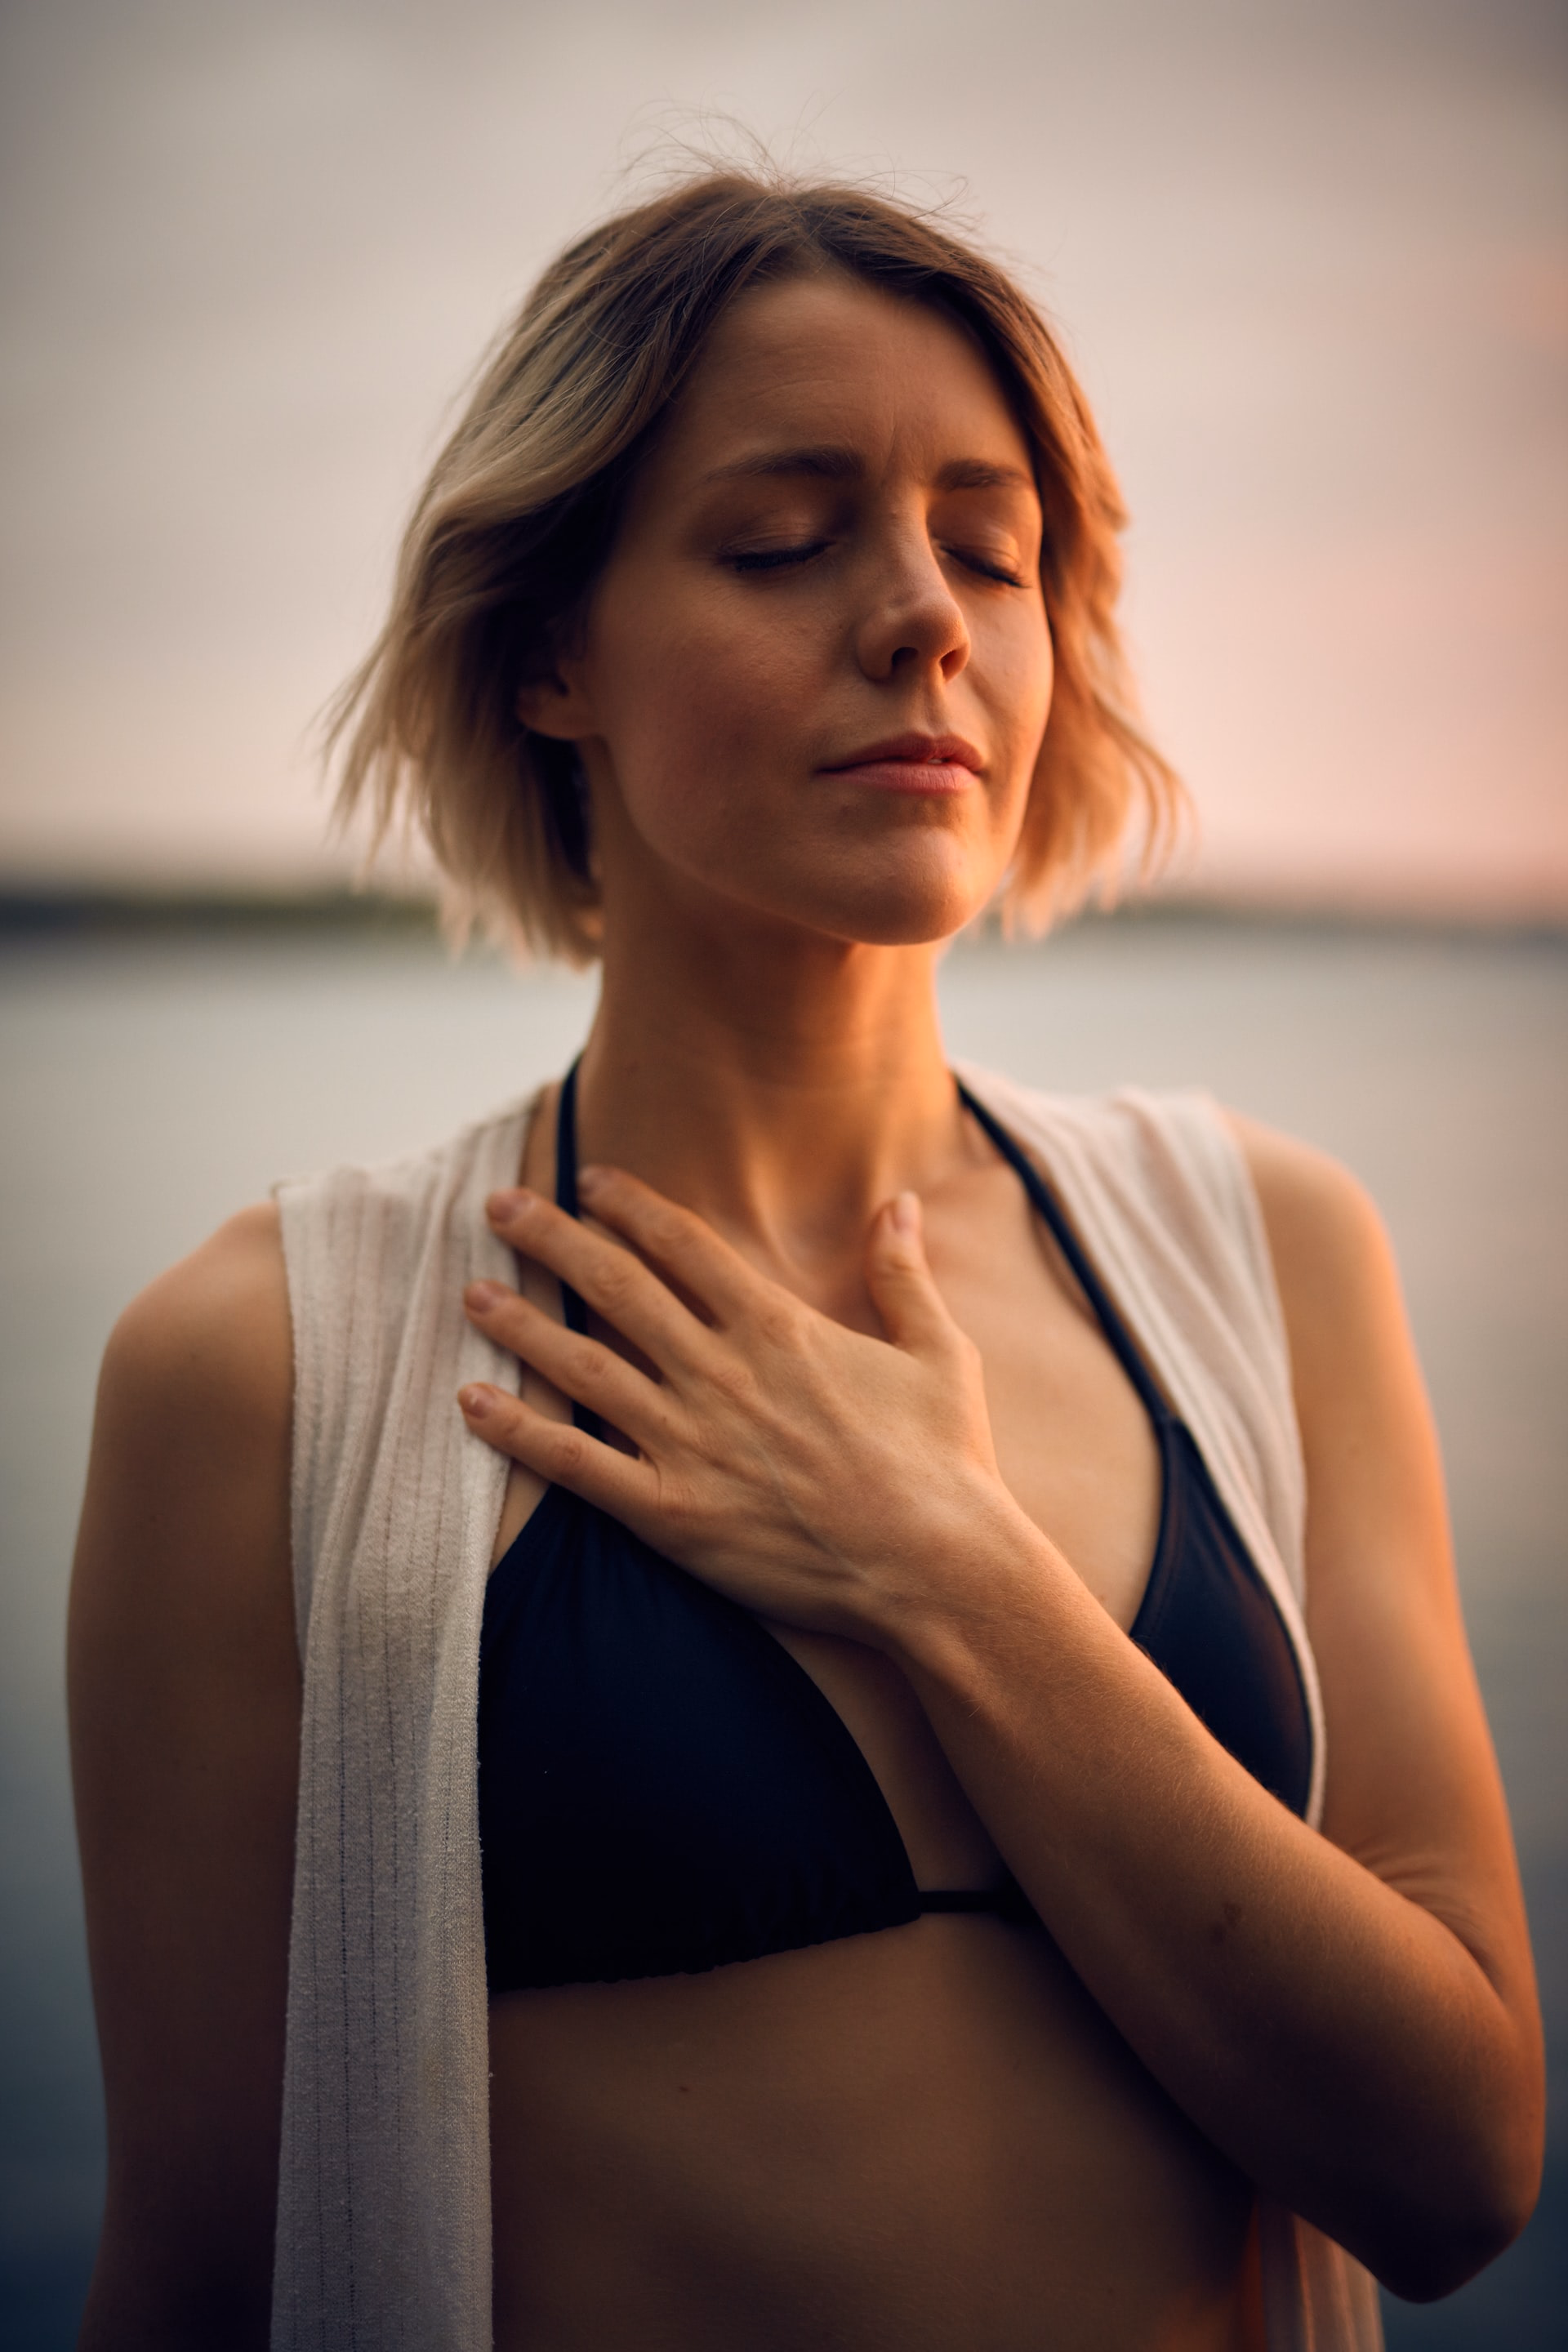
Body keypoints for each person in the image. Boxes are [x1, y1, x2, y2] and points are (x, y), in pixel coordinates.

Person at [69, 167, 1543, 2352]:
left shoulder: (1269, 1255)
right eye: (783, 538)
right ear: (552, 648)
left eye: (994, 547)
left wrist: (948, 1564)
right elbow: (198, 2280)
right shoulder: (267, 1372)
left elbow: (1457, 2173)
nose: (926, 614)